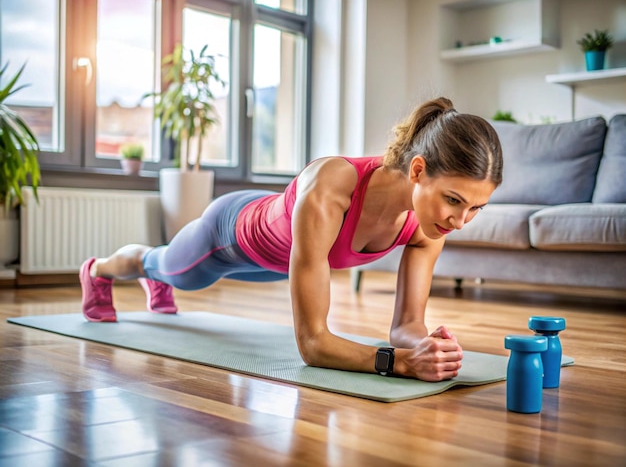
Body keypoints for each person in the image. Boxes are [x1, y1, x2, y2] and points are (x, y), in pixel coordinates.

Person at [79, 97, 503, 382]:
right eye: (454, 200)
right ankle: (98, 271)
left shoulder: (430, 226)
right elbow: (313, 344)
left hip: (278, 263)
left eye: (476, 208)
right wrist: (397, 364)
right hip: (231, 235)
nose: (462, 220)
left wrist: (424, 346)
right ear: (417, 171)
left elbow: (406, 326)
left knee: (176, 273)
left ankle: (158, 279)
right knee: (165, 264)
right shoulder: (333, 185)